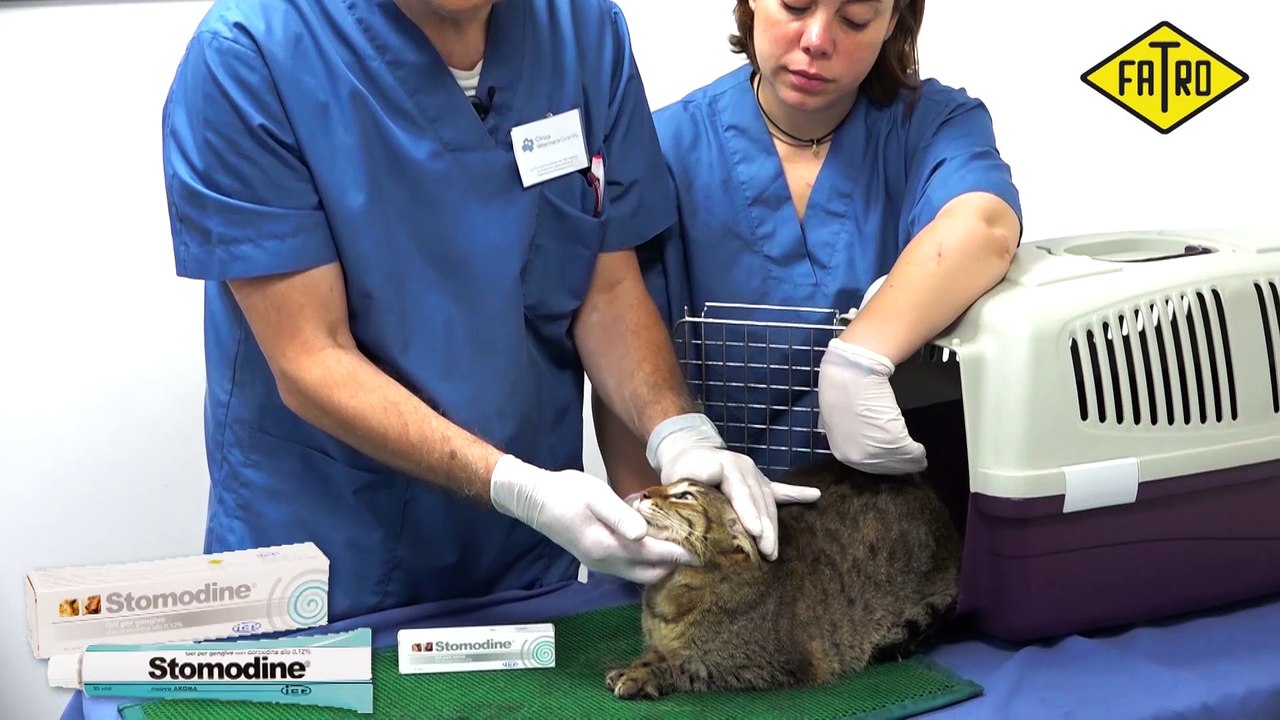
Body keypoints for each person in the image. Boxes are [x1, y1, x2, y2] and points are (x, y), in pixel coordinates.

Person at [160, 0, 820, 623]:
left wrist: (677, 433)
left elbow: (605, 286)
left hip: (522, 572)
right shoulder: (252, 53)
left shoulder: (581, 32)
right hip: (327, 574)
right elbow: (311, 356)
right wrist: (517, 485)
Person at [595, 0, 1022, 496]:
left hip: (888, 540)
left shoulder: (930, 129)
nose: (817, 39)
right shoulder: (664, 151)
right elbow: (622, 357)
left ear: (892, 21)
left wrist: (859, 357)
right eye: (796, 4)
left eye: (855, 17)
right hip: (721, 536)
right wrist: (657, 532)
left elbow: (985, 225)